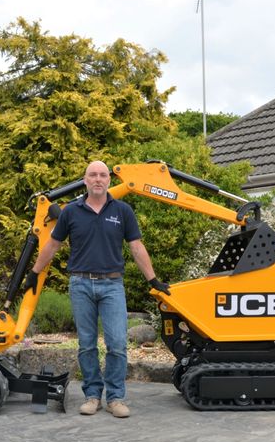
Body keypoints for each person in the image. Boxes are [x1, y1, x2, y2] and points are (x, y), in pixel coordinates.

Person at [24, 160, 170, 418]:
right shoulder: (71, 212)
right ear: (85, 180)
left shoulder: (123, 210)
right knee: (87, 345)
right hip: (80, 284)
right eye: (93, 175)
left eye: (103, 175)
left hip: (112, 285)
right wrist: (35, 272)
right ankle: (92, 396)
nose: (98, 179)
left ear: (109, 181)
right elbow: (52, 245)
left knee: (117, 343)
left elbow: (136, 247)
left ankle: (115, 398)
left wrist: (153, 279)